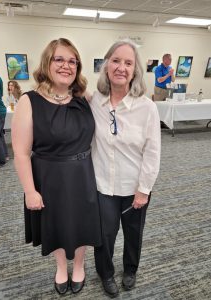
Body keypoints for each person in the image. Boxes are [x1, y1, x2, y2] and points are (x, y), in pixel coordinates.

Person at [11, 38, 101, 295]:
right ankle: (61, 267)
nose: (66, 66)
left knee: (83, 222)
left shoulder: (84, 96)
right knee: (58, 223)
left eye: (72, 61)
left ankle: (80, 265)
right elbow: (20, 152)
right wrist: (30, 190)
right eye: (59, 59)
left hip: (84, 173)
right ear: (47, 63)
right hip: (49, 176)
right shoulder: (29, 101)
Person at [90, 39, 161, 298]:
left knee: (133, 233)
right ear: (107, 65)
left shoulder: (147, 108)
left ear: (135, 71)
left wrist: (144, 189)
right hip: (103, 186)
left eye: (128, 63)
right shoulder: (94, 101)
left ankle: (130, 269)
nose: (121, 67)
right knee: (104, 236)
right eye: (116, 60)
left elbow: (152, 153)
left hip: (134, 187)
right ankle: (106, 274)